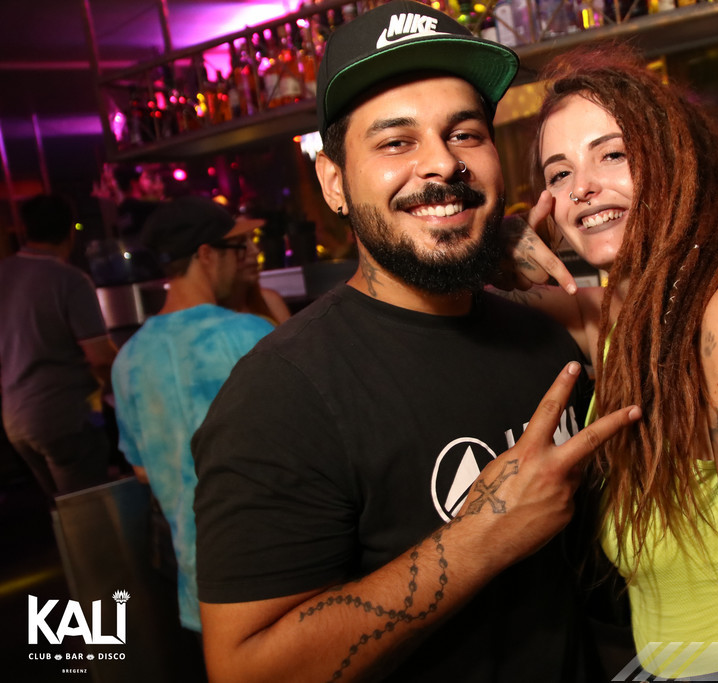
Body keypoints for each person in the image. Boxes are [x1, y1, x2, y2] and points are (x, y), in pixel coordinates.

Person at [190, 4, 639, 682]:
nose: (442, 163)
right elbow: (246, 670)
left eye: (464, 134)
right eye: (396, 142)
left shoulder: (541, 331)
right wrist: (482, 538)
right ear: (334, 183)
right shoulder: (282, 394)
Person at [507, 45, 718, 677]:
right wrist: (507, 240)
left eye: (612, 154)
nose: (582, 187)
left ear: (672, 160)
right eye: (558, 173)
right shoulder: (611, 322)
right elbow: (462, 296)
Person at [111, 196, 275, 645]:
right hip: (278, 571)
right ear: (206, 254)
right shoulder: (250, 335)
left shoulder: (128, 360)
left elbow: (143, 471)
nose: (244, 258)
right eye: (236, 249)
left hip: (201, 585)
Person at [0, 194, 116, 500]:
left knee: (61, 513)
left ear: (25, 230)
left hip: (16, 420)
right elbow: (100, 357)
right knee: (88, 512)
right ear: (70, 232)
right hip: (66, 417)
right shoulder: (70, 280)